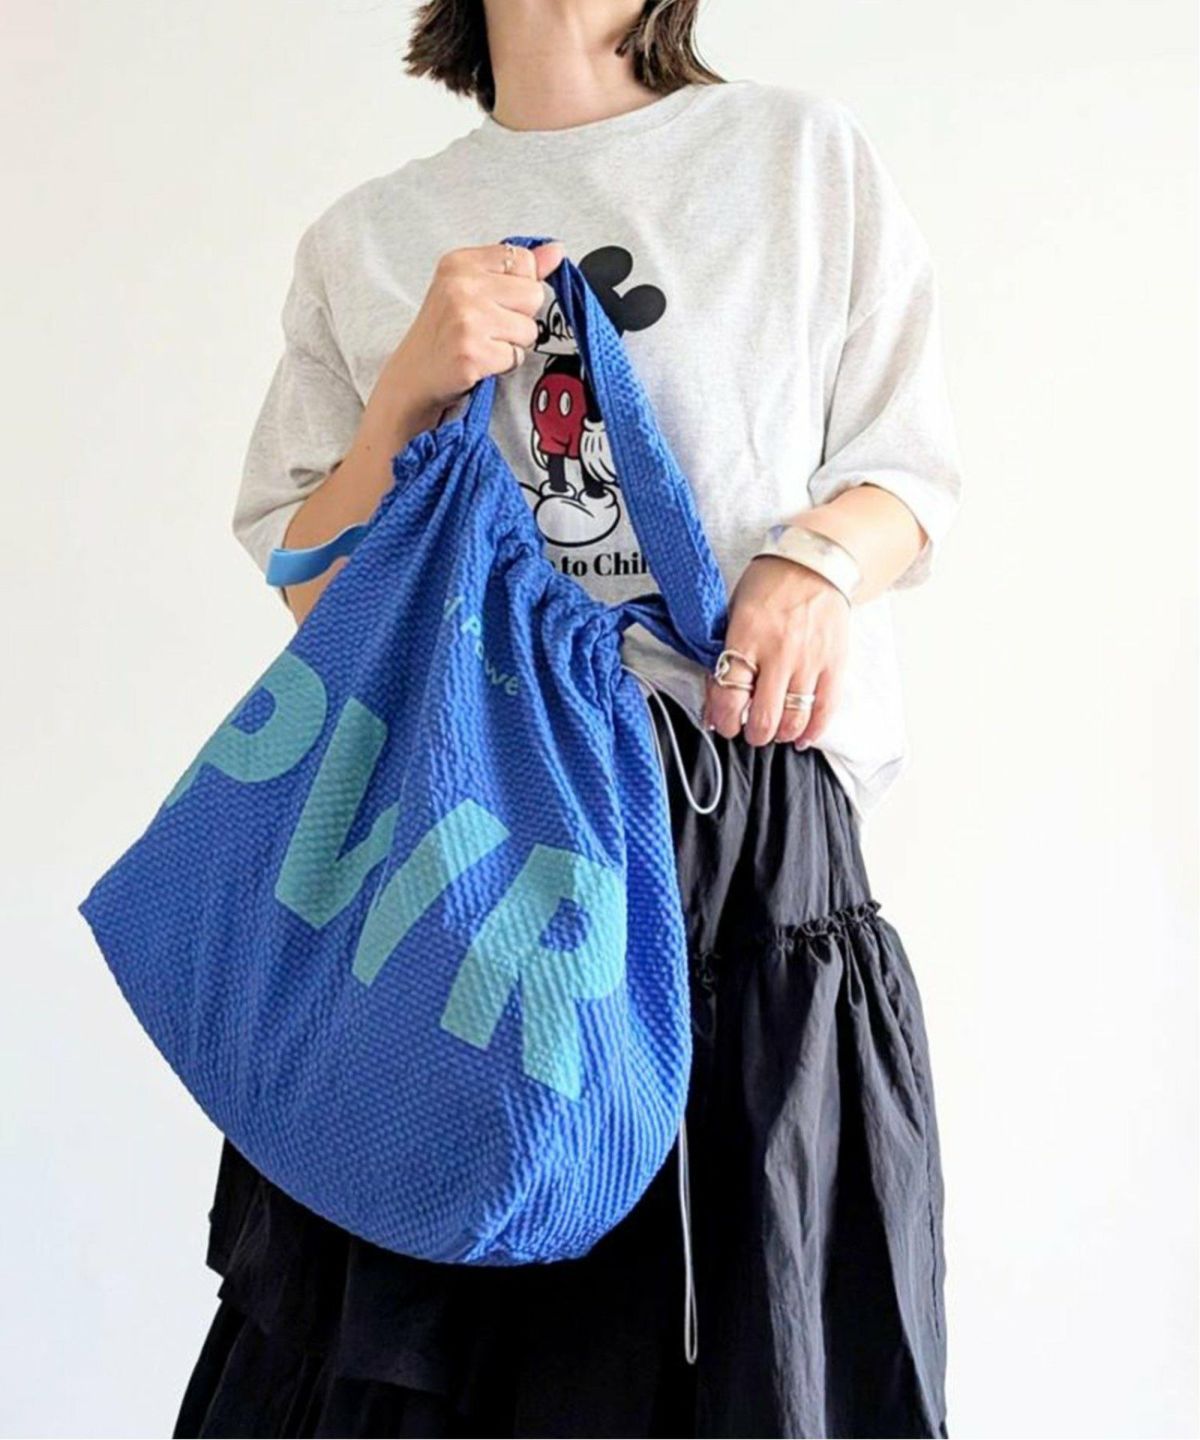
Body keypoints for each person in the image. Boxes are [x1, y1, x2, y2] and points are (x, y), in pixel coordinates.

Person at [173, 2, 963, 1436]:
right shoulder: (367, 238)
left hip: (732, 838)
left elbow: (909, 471)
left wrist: (815, 565)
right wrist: (407, 391)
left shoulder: (793, 158)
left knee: (739, 1348)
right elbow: (319, 592)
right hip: (462, 853)